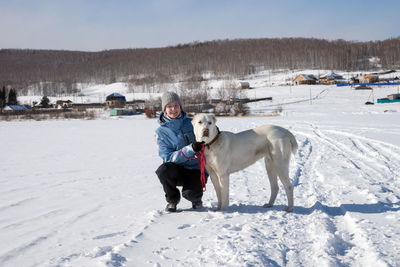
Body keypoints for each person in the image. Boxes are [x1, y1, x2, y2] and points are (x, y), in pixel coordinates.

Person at [155, 91, 206, 212]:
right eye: (169, 106)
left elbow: (207, 132)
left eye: (176, 105)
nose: (173, 109)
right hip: (176, 170)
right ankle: (172, 200)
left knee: (191, 194)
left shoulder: (192, 123)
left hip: (195, 169)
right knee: (163, 170)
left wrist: (211, 130)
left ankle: (196, 199)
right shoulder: (161, 132)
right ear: (164, 109)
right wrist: (190, 149)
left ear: (180, 106)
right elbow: (167, 157)